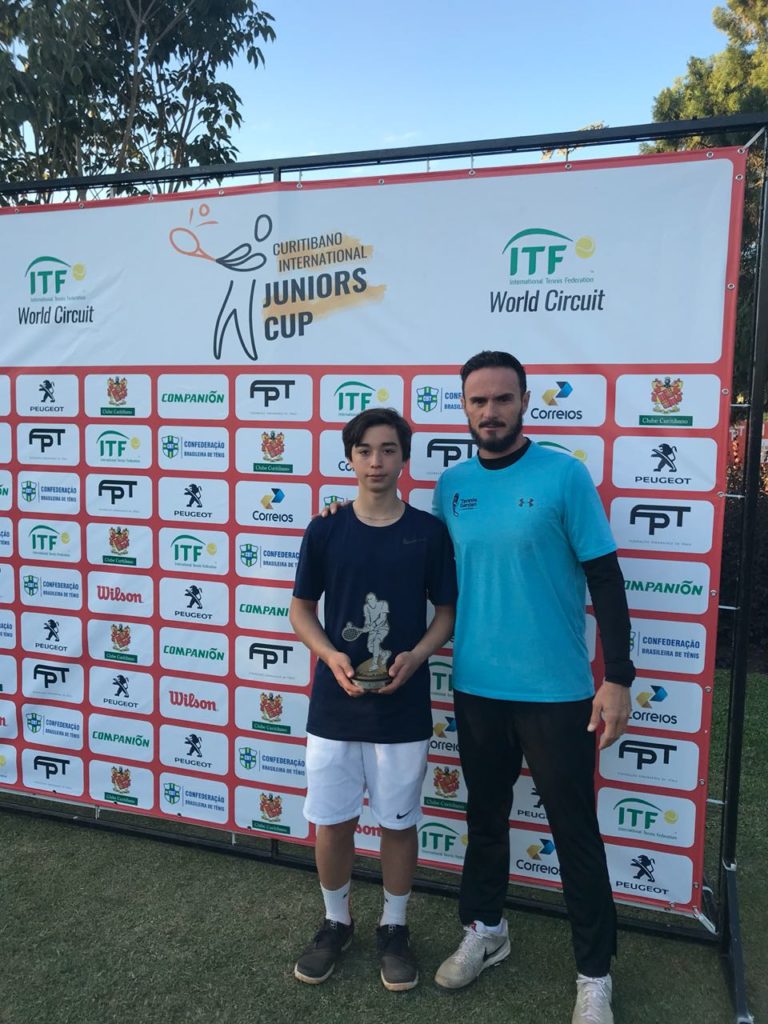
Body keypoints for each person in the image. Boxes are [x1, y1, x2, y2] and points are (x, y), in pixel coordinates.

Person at [431, 351, 634, 1024]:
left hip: (556, 692)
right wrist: (344, 516)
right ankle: (486, 930)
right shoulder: (451, 485)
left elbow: (605, 578)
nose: (490, 412)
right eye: (477, 401)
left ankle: (595, 974)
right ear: (464, 407)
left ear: (524, 401)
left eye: (502, 399)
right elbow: (425, 567)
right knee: (485, 819)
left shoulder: (563, 475)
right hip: (477, 688)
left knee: (574, 831)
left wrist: (618, 677)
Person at [290, 407, 457, 992]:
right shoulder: (325, 529)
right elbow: (301, 611)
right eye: (365, 450)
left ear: (404, 458)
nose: (376, 462)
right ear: (349, 457)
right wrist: (329, 655)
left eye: (388, 450)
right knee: (332, 821)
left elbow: (446, 614)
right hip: (334, 704)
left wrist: (418, 655)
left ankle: (394, 927)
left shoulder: (429, 532)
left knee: (397, 822)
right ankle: (336, 922)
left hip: (402, 707)